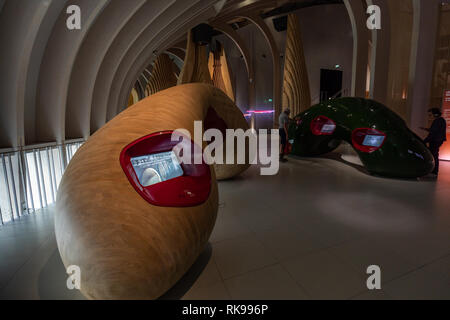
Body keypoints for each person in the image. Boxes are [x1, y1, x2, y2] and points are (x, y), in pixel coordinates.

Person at [420, 108, 447, 176]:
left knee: (434, 155)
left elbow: (433, 132)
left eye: (430, 114)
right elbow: (434, 130)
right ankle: (434, 171)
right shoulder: (441, 120)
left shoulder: (438, 121)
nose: (430, 116)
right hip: (437, 140)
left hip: (435, 140)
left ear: (435, 114)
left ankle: (434, 171)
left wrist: (425, 140)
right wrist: (426, 129)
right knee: (434, 155)